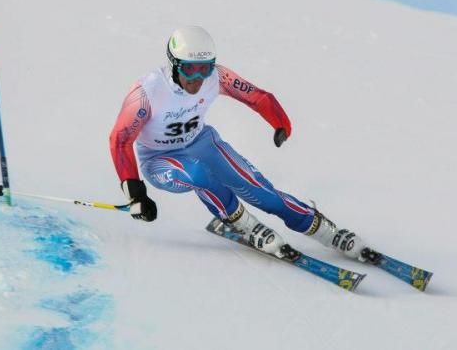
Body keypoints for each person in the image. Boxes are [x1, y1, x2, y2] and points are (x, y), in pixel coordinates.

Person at [109, 26, 368, 260]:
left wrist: (280, 123)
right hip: (158, 159)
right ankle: (242, 223)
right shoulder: (147, 92)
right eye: (190, 69)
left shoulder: (217, 77)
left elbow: (256, 97)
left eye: (205, 68)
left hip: (202, 143)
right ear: (174, 64)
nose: (198, 78)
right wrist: (136, 195)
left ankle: (323, 229)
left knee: (262, 191)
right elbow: (120, 140)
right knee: (197, 173)